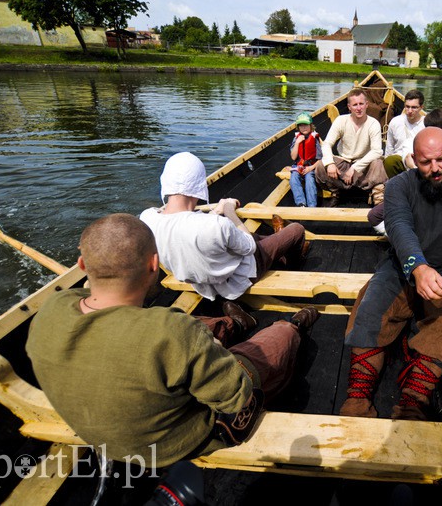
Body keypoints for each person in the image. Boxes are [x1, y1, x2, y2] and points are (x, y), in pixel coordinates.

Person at [26, 213, 320, 467]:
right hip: (176, 443)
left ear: (81, 265)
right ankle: (293, 325)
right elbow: (236, 396)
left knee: (192, 334)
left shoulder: (52, 309)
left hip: (103, 436)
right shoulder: (171, 330)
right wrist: (215, 353)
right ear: (154, 264)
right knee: (276, 339)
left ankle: (234, 323)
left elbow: (101, 306)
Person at [339, 127, 442, 420]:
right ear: (414, 159)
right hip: (401, 264)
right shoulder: (399, 185)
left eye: (440, 160)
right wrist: (418, 267)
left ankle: (413, 399)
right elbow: (398, 225)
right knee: (369, 310)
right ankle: (358, 397)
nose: (435, 168)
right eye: (426, 162)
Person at [140, 152, 308, 302]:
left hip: (200, 283)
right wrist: (229, 212)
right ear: (200, 185)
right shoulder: (217, 225)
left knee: (254, 238)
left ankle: (278, 241)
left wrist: (215, 211)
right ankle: (287, 264)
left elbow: (183, 223)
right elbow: (249, 246)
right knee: (296, 230)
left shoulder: (147, 219)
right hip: (239, 277)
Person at [367, 108, 442, 234]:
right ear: (438, 130)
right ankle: (399, 235)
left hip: (437, 194)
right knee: (375, 216)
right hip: (415, 191)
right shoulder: (412, 142)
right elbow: (408, 158)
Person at [314, 88, 387, 207]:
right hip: (344, 162)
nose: (358, 108)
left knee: (378, 163)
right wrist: (329, 164)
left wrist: (354, 168)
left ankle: (378, 199)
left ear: (366, 105)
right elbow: (327, 144)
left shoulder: (373, 124)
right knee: (321, 166)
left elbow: (377, 151)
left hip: (363, 166)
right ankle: (336, 192)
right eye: (355, 105)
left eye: (361, 104)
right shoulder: (341, 121)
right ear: (349, 107)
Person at [383, 89, 425, 178]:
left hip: (418, 161)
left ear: (421, 107)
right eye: (407, 106)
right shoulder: (395, 121)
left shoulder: (426, 124)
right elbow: (389, 148)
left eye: (414, 107)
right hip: (399, 160)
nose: (409, 111)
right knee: (389, 161)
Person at [289, 112, 322, 207]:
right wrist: (297, 143)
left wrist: (310, 168)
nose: (304, 128)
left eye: (306, 125)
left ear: (311, 125)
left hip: (311, 166)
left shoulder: (314, 138)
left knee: (309, 180)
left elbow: (320, 159)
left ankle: (312, 206)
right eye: (301, 126)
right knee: (293, 179)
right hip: (298, 166)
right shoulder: (296, 139)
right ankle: (301, 203)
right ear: (298, 127)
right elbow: (293, 157)